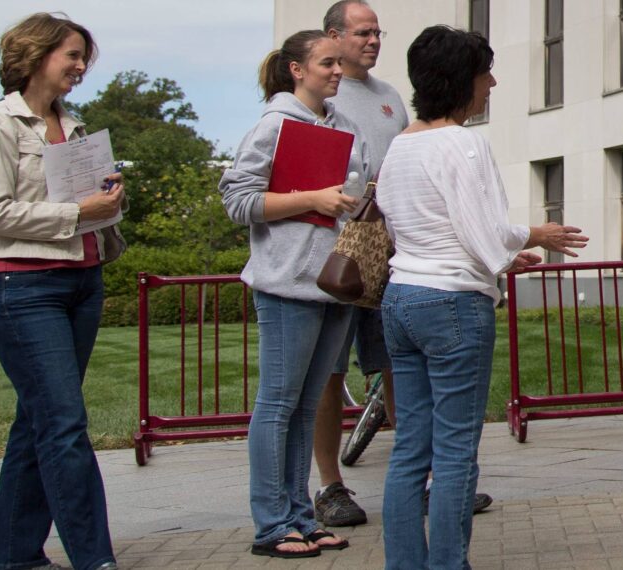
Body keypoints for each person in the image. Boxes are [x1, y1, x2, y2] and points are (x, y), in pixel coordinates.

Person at [378, 25, 588, 569]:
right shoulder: (464, 144)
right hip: (451, 305)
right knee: (453, 456)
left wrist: (497, 254)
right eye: (484, 73)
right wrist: (532, 237)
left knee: (408, 451)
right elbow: (485, 232)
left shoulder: (399, 146)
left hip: (401, 298)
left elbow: (420, 230)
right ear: (460, 80)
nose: (491, 83)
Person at [312, 0, 492, 528]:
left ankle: (432, 480)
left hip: (395, 252)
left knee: (396, 369)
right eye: (361, 32)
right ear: (332, 36)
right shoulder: (318, 96)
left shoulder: (391, 99)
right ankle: (330, 485)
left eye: (377, 32)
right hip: (338, 251)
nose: (372, 41)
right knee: (330, 370)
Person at [218, 29, 369, 559]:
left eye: (337, 63)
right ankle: (271, 524)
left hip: (333, 284)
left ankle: (302, 517)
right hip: (286, 283)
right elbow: (237, 201)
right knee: (278, 404)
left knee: (306, 408)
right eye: (326, 62)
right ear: (296, 70)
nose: (336, 70)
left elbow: (349, 199)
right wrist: (312, 197)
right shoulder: (274, 125)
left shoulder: (345, 125)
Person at [0, 12, 126, 570]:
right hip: (25, 289)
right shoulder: (3, 125)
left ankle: (14, 553)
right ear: (35, 55)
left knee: (39, 420)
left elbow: (89, 211)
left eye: (82, 58)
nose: (80, 67)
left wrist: (110, 203)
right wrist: (78, 211)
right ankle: (95, 558)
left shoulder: (75, 129)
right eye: (72, 56)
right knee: (65, 426)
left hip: (83, 281)